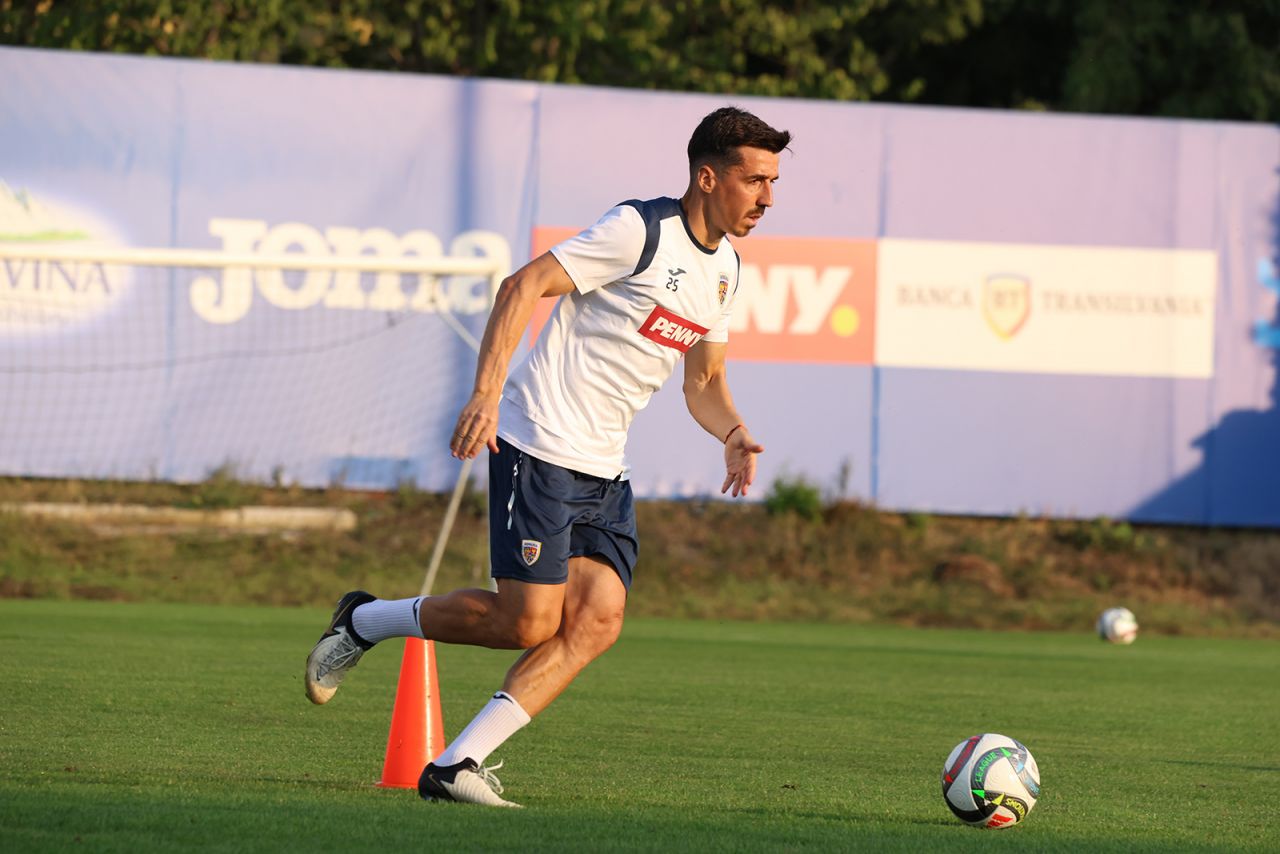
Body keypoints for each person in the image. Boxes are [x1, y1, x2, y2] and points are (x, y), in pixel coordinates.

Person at [305, 106, 791, 807]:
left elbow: (705, 382)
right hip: (540, 445)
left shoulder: (725, 273)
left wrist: (733, 431)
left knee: (597, 619)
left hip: (605, 467)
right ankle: (364, 621)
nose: (767, 198)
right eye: (755, 180)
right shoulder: (640, 231)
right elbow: (521, 286)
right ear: (708, 177)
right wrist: (485, 395)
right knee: (526, 624)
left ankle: (453, 766)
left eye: (774, 182)